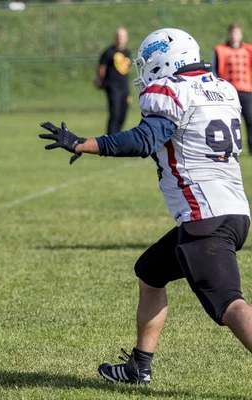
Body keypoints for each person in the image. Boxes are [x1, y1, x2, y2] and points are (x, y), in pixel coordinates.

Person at [40, 28, 252, 384]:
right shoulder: (222, 88)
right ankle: (139, 366)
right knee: (150, 272)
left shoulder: (172, 91)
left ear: (166, 59)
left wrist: (82, 143)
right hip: (234, 212)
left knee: (230, 305)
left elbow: (143, 140)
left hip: (204, 217)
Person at [213, 24, 252, 153]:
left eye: (237, 33)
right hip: (228, 91)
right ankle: (228, 147)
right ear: (229, 34)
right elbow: (215, 71)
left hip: (246, 91)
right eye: (232, 33)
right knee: (228, 121)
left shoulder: (249, 50)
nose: (234, 35)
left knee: (250, 120)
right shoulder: (220, 50)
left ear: (241, 35)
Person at [95, 27, 131, 135]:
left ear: (126, 38)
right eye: (119, 36)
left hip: (124, 87)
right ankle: (110, 138)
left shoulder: (127, 52)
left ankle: (118, 135)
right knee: (114, 113)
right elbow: (101, 68)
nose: (120, 38)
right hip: (113, 87)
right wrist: (101, 81)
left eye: (122, 36)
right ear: (115, 37)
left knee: (123, 113)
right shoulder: (108, 52)